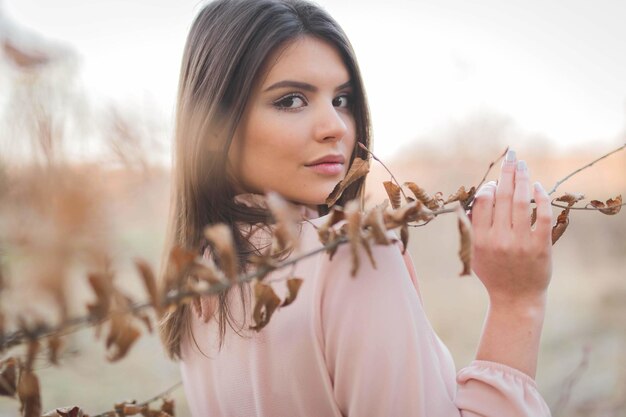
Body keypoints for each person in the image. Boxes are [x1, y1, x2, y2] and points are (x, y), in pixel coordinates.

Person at [159, 0, 554, 415]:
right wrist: (517, 304)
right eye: (291, 100)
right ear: (212, 127)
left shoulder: (196, 281)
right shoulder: (351, 255)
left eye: (342, 99)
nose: (336, 127)